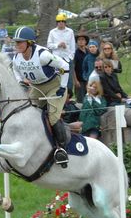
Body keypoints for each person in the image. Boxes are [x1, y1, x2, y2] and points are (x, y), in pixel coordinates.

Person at [11, 26, 71, 166]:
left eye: (20, 42)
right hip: (36, 88)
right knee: (26, 113)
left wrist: (63, 87)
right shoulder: (16, 58)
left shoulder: (43, 55)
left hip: (54, 86)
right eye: (16, 42)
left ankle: (61, 150)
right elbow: (15, 71)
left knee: (53, 116)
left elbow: (65, 66)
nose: (17, 45)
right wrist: (21, 81)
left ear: (30, 43)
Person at [47, 13, 76, 91]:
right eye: (59, 21)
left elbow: (73, 45)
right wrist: (58, 45)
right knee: (58, 79)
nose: (61, 23)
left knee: (69, 81)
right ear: (57, 22)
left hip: (67, 58)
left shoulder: (70, 31)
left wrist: (71, 57)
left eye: (63, 21)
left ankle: (68, 99)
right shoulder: (52, 32)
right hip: (57, 59)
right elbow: (49, 45)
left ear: (65, 22)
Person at [73, 31, 89, 102]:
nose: (81, 41)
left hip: (89, 80)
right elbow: (72, 68)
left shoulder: (89, 52)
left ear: (86, 41)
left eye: (82, 39)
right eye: (79, 40)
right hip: (80, 81)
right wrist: (75, 81)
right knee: (81, 101)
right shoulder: (75, 53)